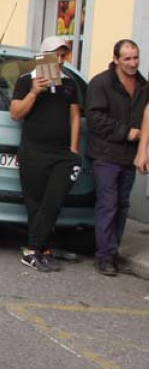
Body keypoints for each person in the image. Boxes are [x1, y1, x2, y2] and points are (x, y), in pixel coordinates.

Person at [9, 36, 82, 272]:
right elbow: (16, 113)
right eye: (55, 56)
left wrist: (73, 149)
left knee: (54, 200)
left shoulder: (70, 83)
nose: (60, 61)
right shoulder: (24, 81)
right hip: (34, 151)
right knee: (35, 203)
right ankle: (41, 249)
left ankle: (33, 248)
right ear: (43, 57)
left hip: (61, 153)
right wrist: (34, 92)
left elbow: (74, 117)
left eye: (64, 55)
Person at [87, 39, 145, 276]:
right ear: (116, 60)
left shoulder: (143, 86)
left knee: (122, 205)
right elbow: (94, 118)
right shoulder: (101, 83)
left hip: (129, 156)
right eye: (127, 59)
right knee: (108, 205)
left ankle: (112, 251)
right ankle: (104, 257)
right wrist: (127, 132)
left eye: (136, 57)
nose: (133, 63)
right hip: (105, 154)